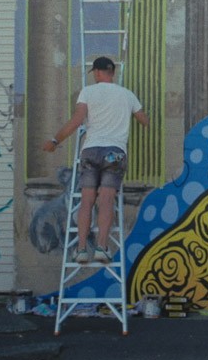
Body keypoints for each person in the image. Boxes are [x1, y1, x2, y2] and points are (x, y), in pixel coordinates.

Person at [43, 56, 149, 263]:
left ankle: (82, 249)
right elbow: (143, 119)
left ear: (98, 72)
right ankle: (102, 247)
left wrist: (55, 141)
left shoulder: (88, 92)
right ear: (113, 72)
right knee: (107, 200)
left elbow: (77, 120)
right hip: (115, 152)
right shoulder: (127, 94)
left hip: (91, 150)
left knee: (86, 201)